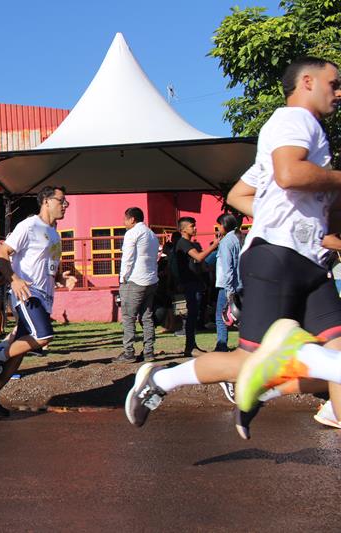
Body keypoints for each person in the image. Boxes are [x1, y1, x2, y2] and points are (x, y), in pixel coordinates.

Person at [125, 56, 341, 438]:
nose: (338, 93)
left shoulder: (303, 135)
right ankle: (161, 380)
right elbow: (290, 175)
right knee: (248, 360)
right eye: (334, 84)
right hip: (279, 258)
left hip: (309, 261)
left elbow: (240, 194)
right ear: (307, 82)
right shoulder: (294, 121)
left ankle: (277, 385)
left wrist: (297, 221)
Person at [0, 186, 67, 417]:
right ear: (46, 201)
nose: (65, 205)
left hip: (44, 297)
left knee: (18, 353)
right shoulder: (29, 225)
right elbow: (0, 251)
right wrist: (14, 279)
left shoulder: (55, 232)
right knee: (43, 336)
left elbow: (48, 266)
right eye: (61, 201)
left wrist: (61, 276)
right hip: (28, 293)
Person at [114, 207, 159, 363]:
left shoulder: (132, 233)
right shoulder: (152, 234)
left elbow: (127, 258)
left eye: (125, 219)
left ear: (132, 219)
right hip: (151, 280)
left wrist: (122, 278)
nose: (124, 222)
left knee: (128, 317)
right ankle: (149, 352)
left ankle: (128, 352)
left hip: (134, 280)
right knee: (147, 317)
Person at [172, 217, 220, 356]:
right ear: (184, 229)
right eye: (192, 226)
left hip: (193, 282)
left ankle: (191, 345)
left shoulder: (187, 243)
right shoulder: (183, 243)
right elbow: (198, 257)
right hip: (189, 283)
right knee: (191, 315)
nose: (195, 228)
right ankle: (190, 347)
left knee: (194, 314)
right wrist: (214, 245)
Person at [214, 213, 243, 352]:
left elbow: (228, 267)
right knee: (240, 317)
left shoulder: (226, 242)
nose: (217, 228)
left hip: (227, 286)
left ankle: (221, 345)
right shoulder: (239, 239)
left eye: (218, 225)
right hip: (241, 284)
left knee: (221, 317)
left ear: (224, 225)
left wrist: (228, 290)